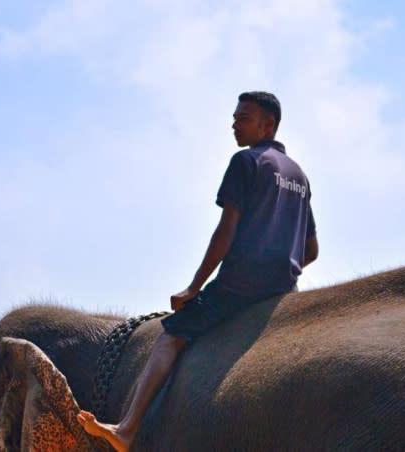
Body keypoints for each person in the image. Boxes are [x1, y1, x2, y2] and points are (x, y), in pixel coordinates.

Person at [76, 91, 319, 452]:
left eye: (244, 118)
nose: (234, 124)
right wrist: (281, 262)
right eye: (235, 118)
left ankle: (127, 428)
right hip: (284, 287)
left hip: (242, 285)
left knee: (170, 336)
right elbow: (312, 251)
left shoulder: (246, 162)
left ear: (267, 125)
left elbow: (226, 230)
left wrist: (194, 287)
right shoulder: (298, 175)